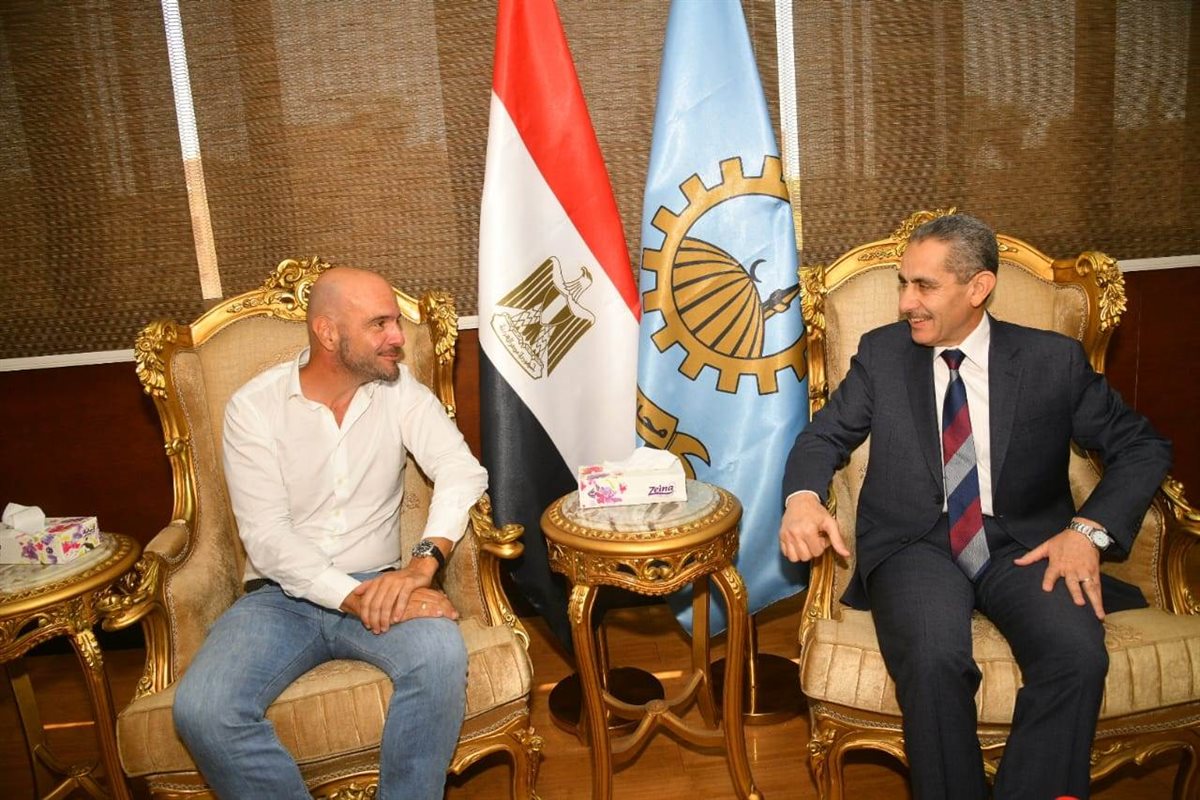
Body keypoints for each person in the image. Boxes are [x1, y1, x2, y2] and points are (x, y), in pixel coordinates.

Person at [779, 214, 1171, 800]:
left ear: (978, 287)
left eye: (924, 286)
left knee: (1076, 656)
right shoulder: (883, 354)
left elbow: (1142, 446)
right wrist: (803, 498)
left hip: (1028, 543)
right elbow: (823, 437)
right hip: (915, 543)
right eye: (903, 283)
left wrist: (1087, 532)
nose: (906, 302)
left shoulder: (1052, 361)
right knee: (933, 661)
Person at [172, 267, 488, 799]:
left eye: (396, 321)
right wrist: (354, 598)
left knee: (438, 656)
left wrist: (420, 567)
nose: (397, 336)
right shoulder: (254, 407)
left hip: (381, 582)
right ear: (327, 332)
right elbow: (267, 536)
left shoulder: (399, 392)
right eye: (379, 324)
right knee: (202, 709)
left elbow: (461, 470)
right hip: (278, 598)